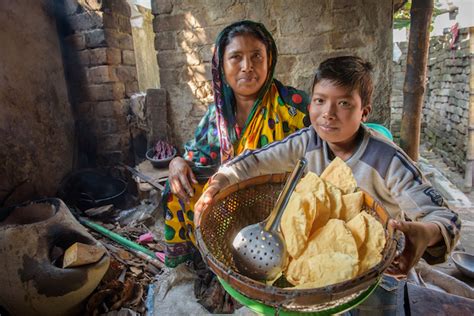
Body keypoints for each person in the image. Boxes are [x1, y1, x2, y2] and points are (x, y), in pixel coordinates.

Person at [195, 56, 461, 314]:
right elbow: (251, 162)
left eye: (343, 103)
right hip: (315, 273)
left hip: (377, 273)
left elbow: (446, 219)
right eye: (320, 101)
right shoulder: (305, 142)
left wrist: (427, 232)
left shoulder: (388, 160)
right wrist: (220, 180)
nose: (328, 114)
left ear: (364, 111)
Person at [163, 20, 310, 268]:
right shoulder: (217, 113)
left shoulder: (292, 105)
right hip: (229, 194)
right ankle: (204, 263)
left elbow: (324, 147)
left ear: (269, 60)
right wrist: (176, 162)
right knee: (178, 188)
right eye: (236, 57)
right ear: (222, 64)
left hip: (277, 199)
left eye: (256, 57)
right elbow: (195, 156)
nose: (247, 67)